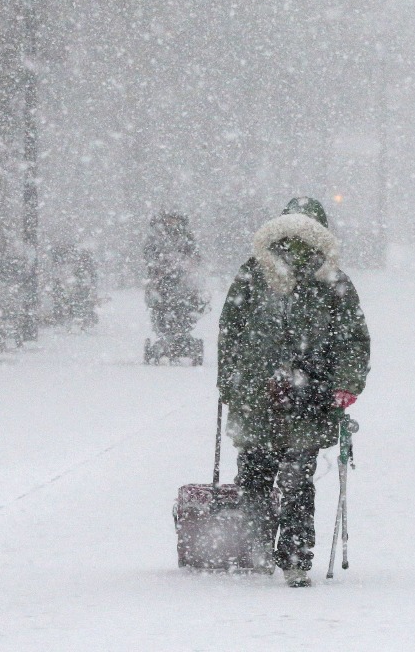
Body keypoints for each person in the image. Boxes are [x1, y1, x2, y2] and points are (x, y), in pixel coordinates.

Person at [217, 197, 370, 587]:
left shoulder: (253, 273)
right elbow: (352, 339)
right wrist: (346, 383)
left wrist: (229, 382)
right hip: (309, 395)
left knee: (254, 475)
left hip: (256, 393)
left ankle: (257, 549)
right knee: (298, 480)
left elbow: (230, 331)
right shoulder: (332, 279)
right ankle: (295, 558)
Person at [144, 211, 207, 363]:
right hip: (162, 282)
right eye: (169, 221)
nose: (172, 224)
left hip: (184, 282)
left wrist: (186, 265)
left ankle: (181, 333)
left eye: (175, 221)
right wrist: (160, 265)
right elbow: (149, 257)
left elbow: (195, 258)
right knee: (160, 308)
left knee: (186, 308)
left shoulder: (187, 238)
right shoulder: (156, 238)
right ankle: (167, 334)